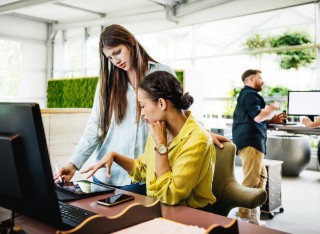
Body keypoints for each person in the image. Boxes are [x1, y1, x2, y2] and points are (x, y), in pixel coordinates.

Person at [53, 24, 227, 195]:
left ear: (131, 42)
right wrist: (73, 164)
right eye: (110, 58)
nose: (116, 61)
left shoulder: (162, 72)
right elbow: (95, 126)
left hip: (143, 176)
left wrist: (199, 132)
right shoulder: (107, 84)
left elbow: (177, 108)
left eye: (117, 52)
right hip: (105, 174)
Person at [81, 71, 216, 210]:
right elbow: (145, 169)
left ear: (161, 103)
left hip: (189, 215)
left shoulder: (198, 140)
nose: (142, 113)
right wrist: (114, 156)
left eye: (143, 106)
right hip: (159, 208)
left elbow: (170, 195)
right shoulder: (159, 129)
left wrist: (161, 146)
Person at [232, 69, 286, 226]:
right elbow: (257, 116)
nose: (262, 81)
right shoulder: (250, 95)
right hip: (251, 143)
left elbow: (254, 118)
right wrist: (272, 108)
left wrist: (271, 118)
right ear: (250, 79)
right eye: (259, 78)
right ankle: (243, 214)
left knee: (261, 177)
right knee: (252, 178)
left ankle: (252, 215)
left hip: (252, 142)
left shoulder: (246, 95)